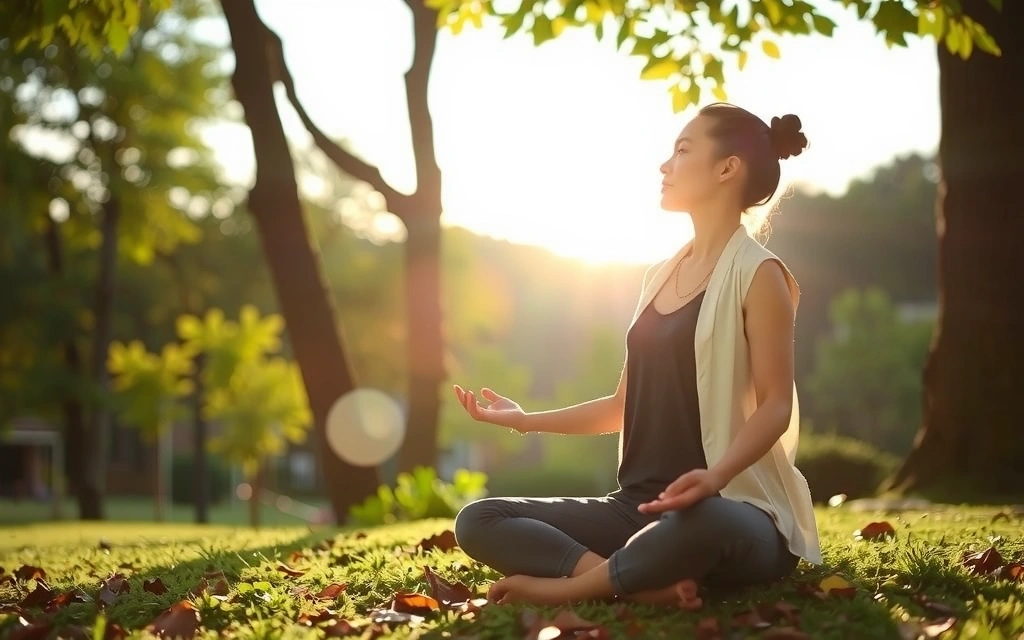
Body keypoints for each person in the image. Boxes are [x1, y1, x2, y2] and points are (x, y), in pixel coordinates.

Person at [451, 103, 822, 608]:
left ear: (727, 168)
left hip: (732, 508)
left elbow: (776, 405)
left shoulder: (761, 275)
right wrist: (524, 420)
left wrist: (714, 478)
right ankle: (634, 583)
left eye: (683, 150)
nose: (665, 165)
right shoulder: (658, 277)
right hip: (636, 510)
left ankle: (574, 588)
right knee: (480, 518)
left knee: (701, 521)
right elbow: (621, 406)